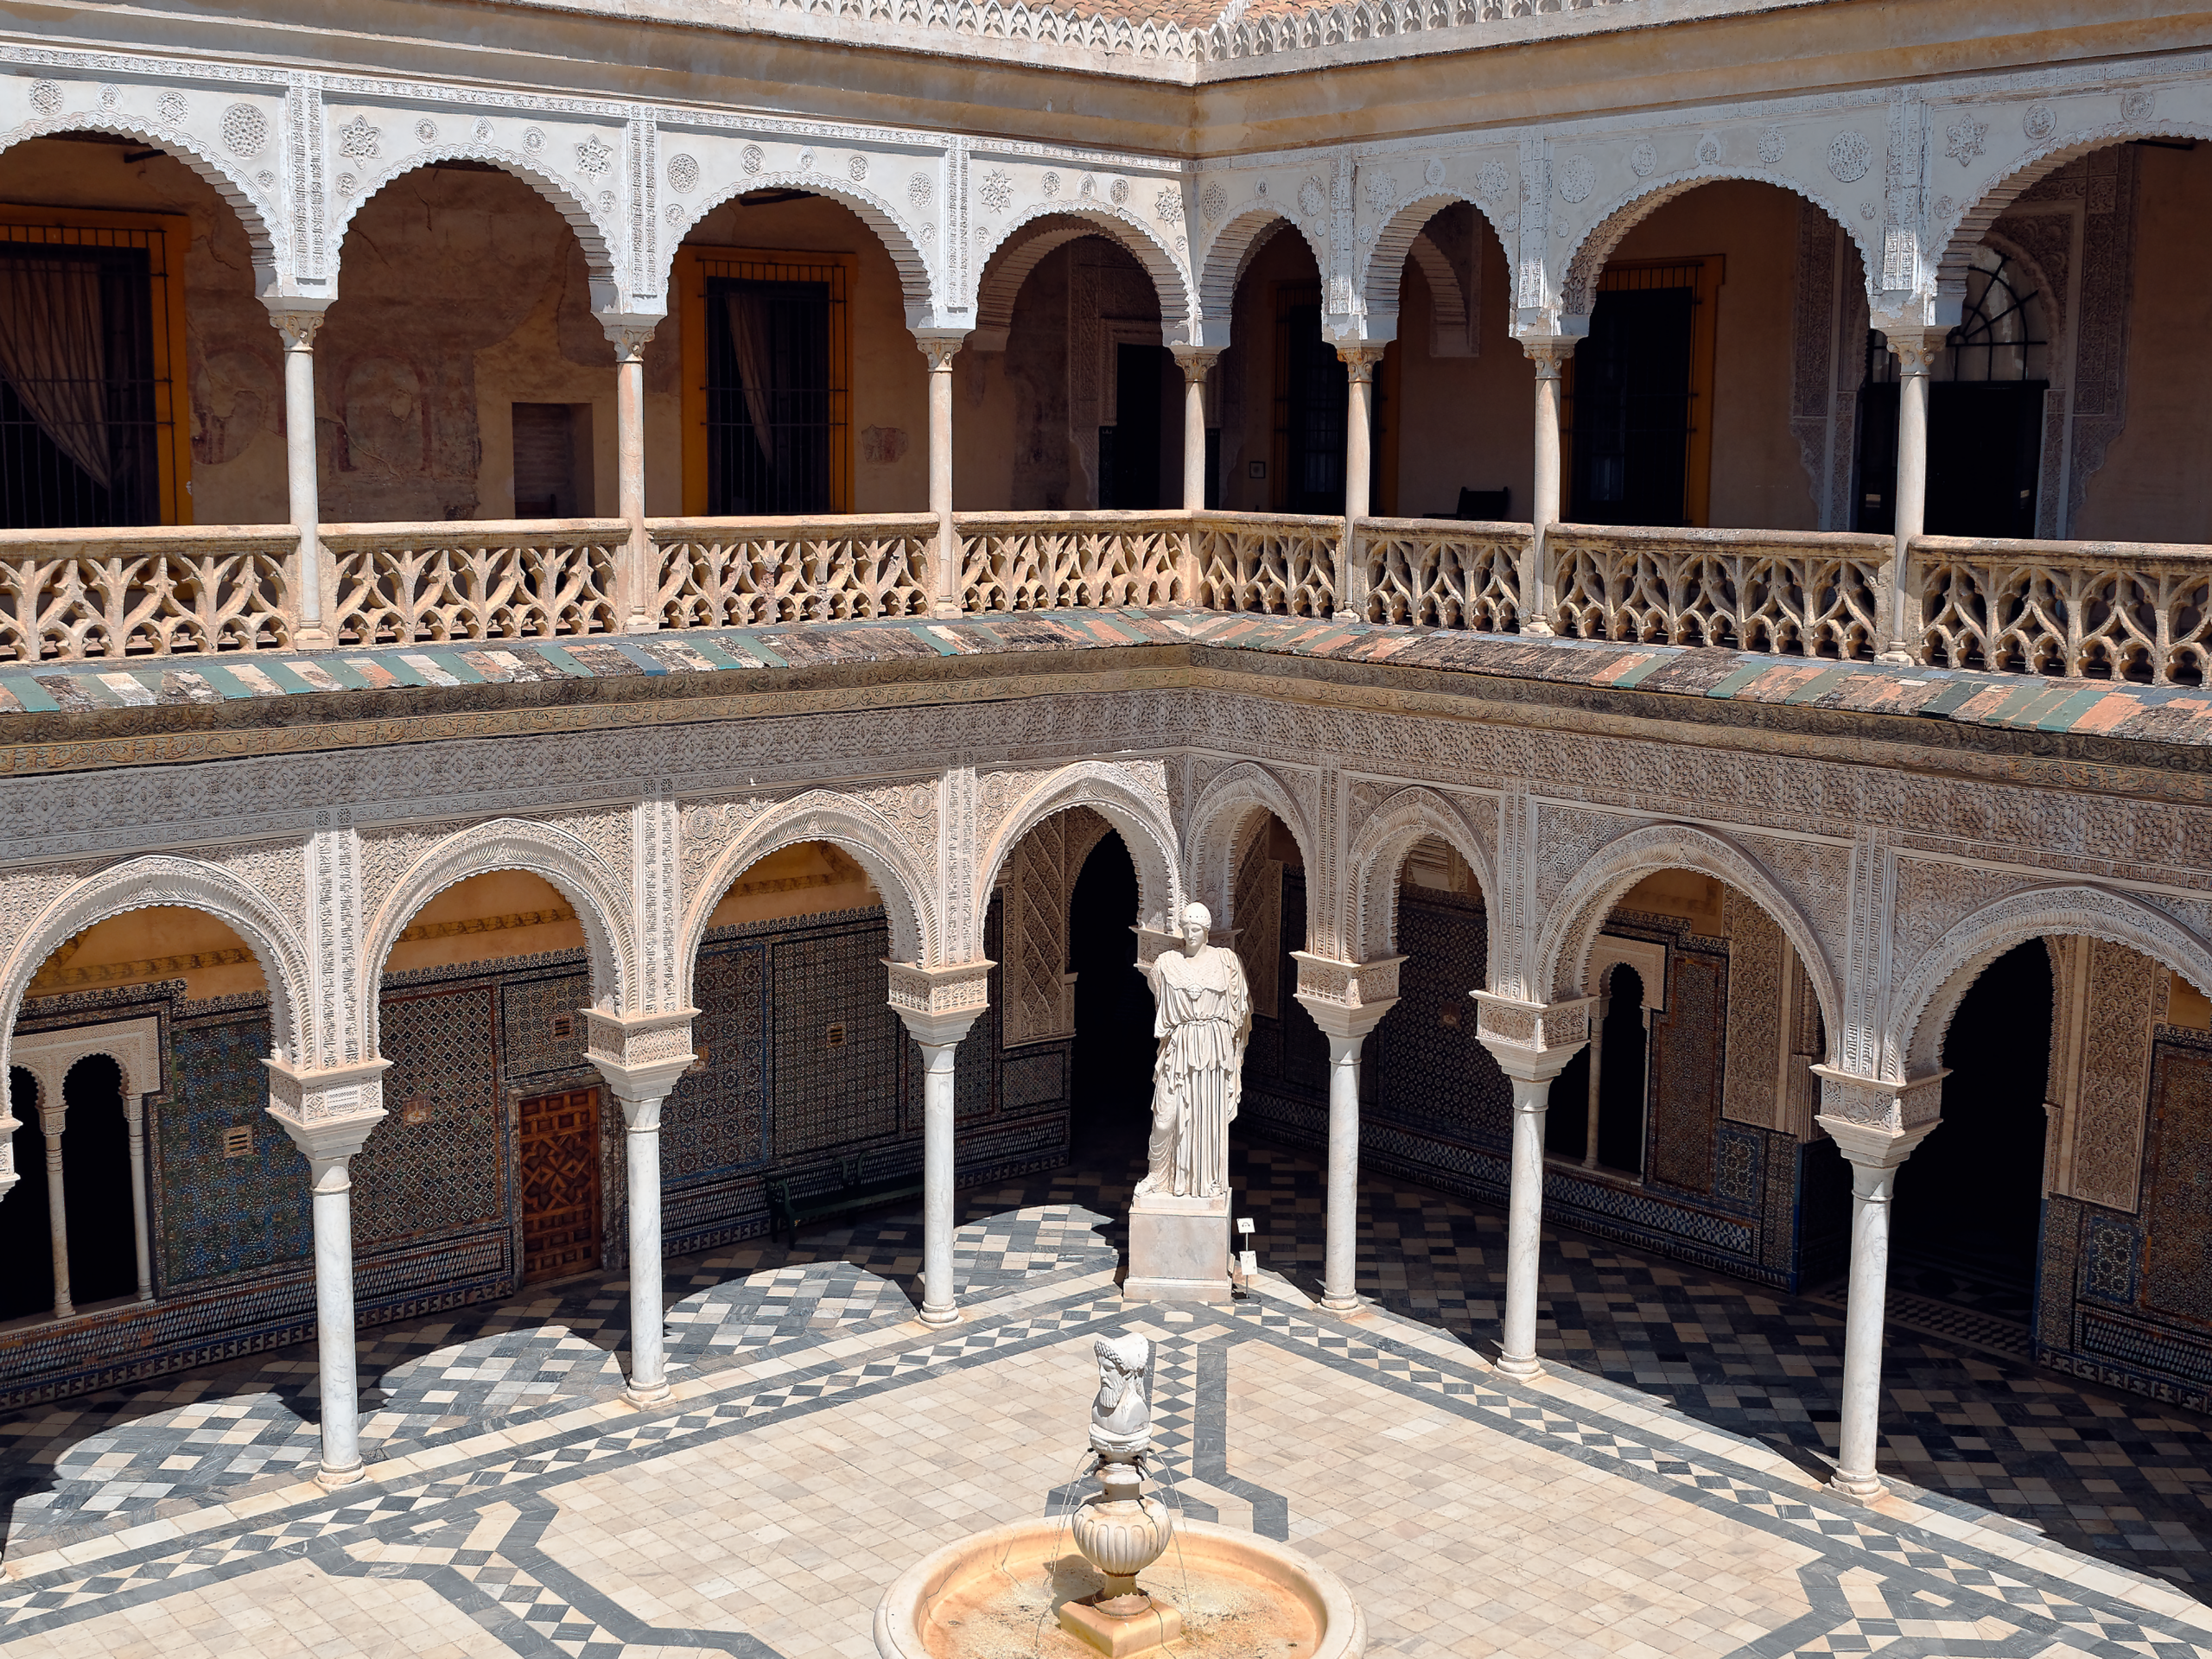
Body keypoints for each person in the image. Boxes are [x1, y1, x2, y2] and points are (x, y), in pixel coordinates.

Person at [1136, 901, 1252, 1201]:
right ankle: (1157, 1176)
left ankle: (1208, 1178)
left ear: (1207, 931)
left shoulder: (1226, 962)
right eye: (1186, 929)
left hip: (1213, 1049)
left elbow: (1240, 1013)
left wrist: (1232, 1054)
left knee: (1207, 1118)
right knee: (1165, 1117)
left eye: (1197, 929)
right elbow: (1158, 996)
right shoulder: (1166, 964)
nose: (1191, 934)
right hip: (1180, 1047)